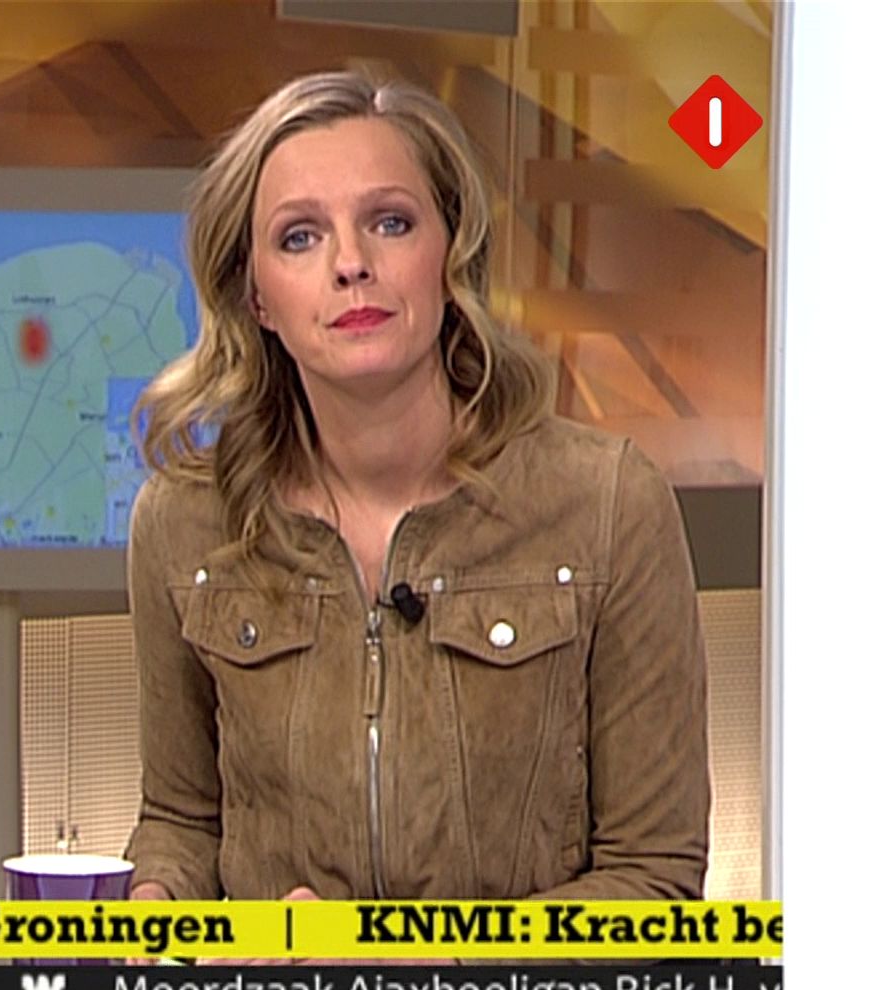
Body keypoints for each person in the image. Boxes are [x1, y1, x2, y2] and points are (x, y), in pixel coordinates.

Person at [124, 71, 708, 906]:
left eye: (390, 223)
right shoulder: (186, 524)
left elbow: (654, 875)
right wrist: (156, 915)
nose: (351, 265)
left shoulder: (607, 503)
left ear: (450, 254)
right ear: (256, 298)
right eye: (299, 237)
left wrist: (425, 961)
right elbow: (181, 821)